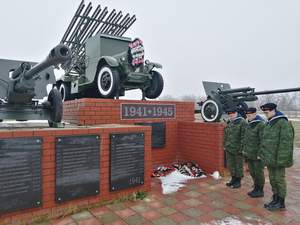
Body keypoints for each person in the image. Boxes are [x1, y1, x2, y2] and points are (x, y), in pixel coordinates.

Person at [260, 103, 294, 211]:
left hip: (278, 159)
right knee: (272, 179)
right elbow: (265, 141)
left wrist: (281, 160)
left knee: (279, 179)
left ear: (274, 110)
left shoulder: (283, 123)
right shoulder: (269, 123)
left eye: (267, 112)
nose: (266, 115)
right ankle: (275, 198)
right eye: (264, 113)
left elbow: (286, 144)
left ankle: (281, 201)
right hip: (270, 158)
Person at [243, 107, 265, 198]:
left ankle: (260, 190)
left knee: (258, 172)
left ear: (255, 114)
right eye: (247, 115)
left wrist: (260, 154)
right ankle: (256, 187)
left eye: (250, 115)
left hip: (257, 154)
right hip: (250, 153)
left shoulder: (260, 124)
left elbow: (263, 140)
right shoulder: (249, 124)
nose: (248, 117)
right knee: (252, 172)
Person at [224, 107, 247, 188]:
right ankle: (233, 179)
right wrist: (224, 145)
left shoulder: (242, 122)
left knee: (238, 166)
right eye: (229, 114)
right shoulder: (230, 122)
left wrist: (242, 149)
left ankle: (238, 181)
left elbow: (244, 137)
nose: (231, 115)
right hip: (229, 148)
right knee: (231, 165)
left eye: (232, 113)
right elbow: (226, 135)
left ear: (236, 113)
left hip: (238, 149)